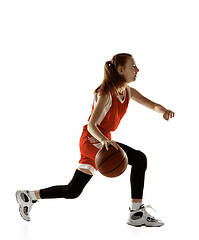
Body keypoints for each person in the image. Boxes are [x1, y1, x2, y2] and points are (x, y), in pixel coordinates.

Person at [16, 53, 175, 227]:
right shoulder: (105, 93)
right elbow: (92, 124)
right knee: (139, 158)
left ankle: (29, 196)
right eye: (133, 66)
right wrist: (103, 141)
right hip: (92, 139)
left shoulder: (129, 92)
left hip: (102, 140)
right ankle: (136, 213)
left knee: (73, 190)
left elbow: (152, 105)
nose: (137, 70)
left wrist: (164, 110)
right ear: (121, 70)